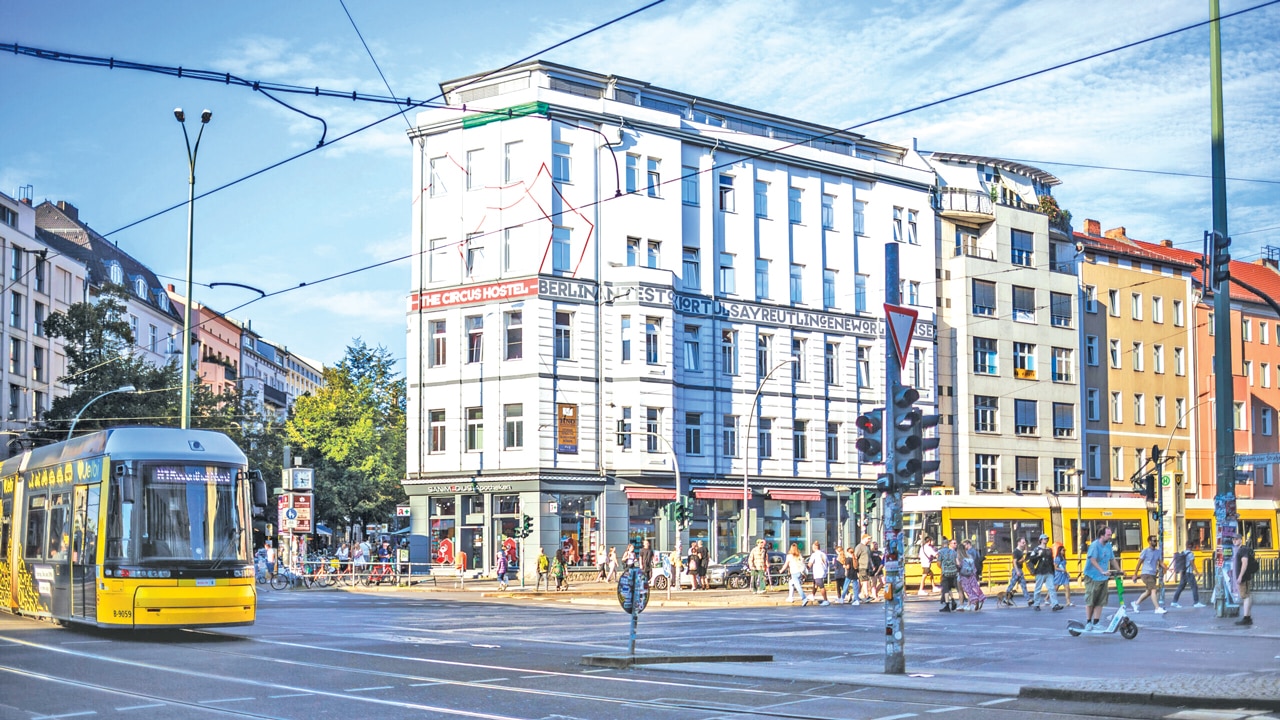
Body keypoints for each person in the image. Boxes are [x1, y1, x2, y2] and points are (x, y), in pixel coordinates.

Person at [1083, 526, 1120, 632]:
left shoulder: (1108, 545)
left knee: (1100, 600)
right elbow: (1093, 560)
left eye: (1110, 534)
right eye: (1108, 535)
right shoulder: (1094, 545)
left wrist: (1119, 570)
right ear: (1102, 535)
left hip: (1103, 577)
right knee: (1091, 600)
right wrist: (1102, 571)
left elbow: (1112, 559)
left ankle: (1096, 622)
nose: (1110, 536)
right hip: (1092, 576)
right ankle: (1088, 622)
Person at [1131, 535, 1167, 614]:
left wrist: (1165, 567)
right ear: (1149, 542)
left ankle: (1136, 604)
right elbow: (1139, 563)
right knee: (1154, 590)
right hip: (1146, 573)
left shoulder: (1158, 552)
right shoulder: (1145, 551)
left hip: (1153, 574)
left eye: (1156, 541)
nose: (1155, 542)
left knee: (1148, 592)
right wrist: (1135, 574)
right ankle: (1157, 608)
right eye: (1154, 541)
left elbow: (1160, 562)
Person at [1029, 534, 1062, 611]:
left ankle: (1055, 604)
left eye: (1046, 539)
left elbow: (1051, 561)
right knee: (1038, 588)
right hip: (1040, 571)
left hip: (1049, 571)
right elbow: (1032, 560)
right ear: (1040, 540)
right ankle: (1036, 604)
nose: (1046, 540)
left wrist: (1053, 571)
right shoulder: (1036, 549)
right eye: (1044, 539)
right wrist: (1038, 555)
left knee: (1051, 588)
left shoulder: (1049, 549)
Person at [1170, 543, 1203, 608]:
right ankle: (1196, 602)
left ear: (1186, 546)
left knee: (1180, 587)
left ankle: (1174, 601)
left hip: (1183, 572)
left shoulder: (1183, 552)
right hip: (1189, 572)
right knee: (1194, 587)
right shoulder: (1190, 554)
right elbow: (1192, 564)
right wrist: (1197, 573)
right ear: (1192, 546)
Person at [1234, 534, 1255, 626]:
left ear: (1240, 540)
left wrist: (1240, 576)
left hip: (1243, 577)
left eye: (1236, 539)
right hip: (1245, 577)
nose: (1234, 541)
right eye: (1233, 539)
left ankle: (1246, 618)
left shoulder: (1242, 550)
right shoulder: (1242, 549)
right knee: (1247, 596)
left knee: (1245, 596)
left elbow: (1244, 563)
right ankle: (1248, 617)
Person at [958, 539, 985, 611]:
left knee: (966, 589)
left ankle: (971, 602)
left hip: (963, 575)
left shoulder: (961, 557)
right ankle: (977, 599)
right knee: (973, 588)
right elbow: (974, 563)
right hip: (972, 573)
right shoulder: (971, 554)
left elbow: (959, 566)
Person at [937, 538, 960, 612]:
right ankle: (953, 600)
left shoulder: (940, 552)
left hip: (946, 573)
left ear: (942, 544)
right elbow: (957, 563)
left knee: (946, 589)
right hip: (953, 573)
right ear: (948, 544)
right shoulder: (953, 552)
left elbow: (939, 563)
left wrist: (943, 567)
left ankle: (947, 605)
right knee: (950, 587)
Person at [1007, 537, 1030, 605]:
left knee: (1023, 585)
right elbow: (1014, 562)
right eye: (1023, 543)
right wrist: (1017, 571)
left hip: (1020, 569)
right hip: (1016, 570)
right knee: (1012, 584)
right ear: (1018, 543)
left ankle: (1028, 599)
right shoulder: (1016, 551)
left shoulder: (1021, 551)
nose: (1024, 544)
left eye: (1025, 542)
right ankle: (1005, 598)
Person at [807, 541, 830, 606]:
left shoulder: (814, 554)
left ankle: (826, 600)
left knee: (821, 586)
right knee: (815, 584)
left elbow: (810, 564)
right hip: (822, 571)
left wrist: (805, 570)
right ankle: (812, 595)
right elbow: (827, 563)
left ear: (814, 547)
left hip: (818, 572)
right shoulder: (823, 554)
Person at [853, 535, 872, 602]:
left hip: (867, 567)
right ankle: (866, 596)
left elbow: (869, 557)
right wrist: (855, 566)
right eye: (868, 539)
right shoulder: (859, 547)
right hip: (862, 567)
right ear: (863, 539)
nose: (869, 540)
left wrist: (871, 565)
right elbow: (855, 556)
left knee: (862, 582)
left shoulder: (867, 547)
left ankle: (855, 596)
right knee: (865, 581)